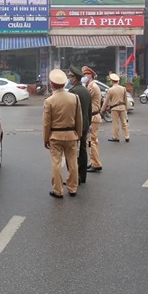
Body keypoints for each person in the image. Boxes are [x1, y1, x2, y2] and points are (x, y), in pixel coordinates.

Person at [43, 69, 83, 198]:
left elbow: (46, 123)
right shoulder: (74, 98)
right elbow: (79, 119)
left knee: (56, 163)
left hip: (55, 136)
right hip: (72, 135)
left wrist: (46, 138)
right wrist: (79, 134)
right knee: (73, 162)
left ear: (52, 84)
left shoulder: (49, 100)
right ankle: (72, 188)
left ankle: (58, 190)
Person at [68, 66, 92, 185]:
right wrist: (88, 124)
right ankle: (82, 176)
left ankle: (73, 177)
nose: (69, 79)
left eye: (71, 77)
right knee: (82, 150)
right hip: (85, 125)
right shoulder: (86, 91)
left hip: (75, 126)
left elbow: (71, 111)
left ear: (75, 78)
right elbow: (89, 110)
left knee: (72, 152)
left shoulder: (73, 92)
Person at [83, 66, 103, 173]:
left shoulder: (92, 87)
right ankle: (93, 162)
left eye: (86, 75)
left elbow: (85, 98)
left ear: (90, 75)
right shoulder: (90, 85)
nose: (84, 76)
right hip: (93, 116)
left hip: (93, 117)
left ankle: (96, 164)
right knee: (92, 141)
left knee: (91, 142)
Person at [104, 73, 130, 143]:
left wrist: (102, 109)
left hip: (114, 108)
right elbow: (125, 100)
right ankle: (127, 136)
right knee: (124, 123)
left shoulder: (110, 90)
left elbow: (107, 101)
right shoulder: (123, 88)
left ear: (112, 81)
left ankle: (116, 137)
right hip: (122, 107)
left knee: (116, 124)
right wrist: (126, 108)